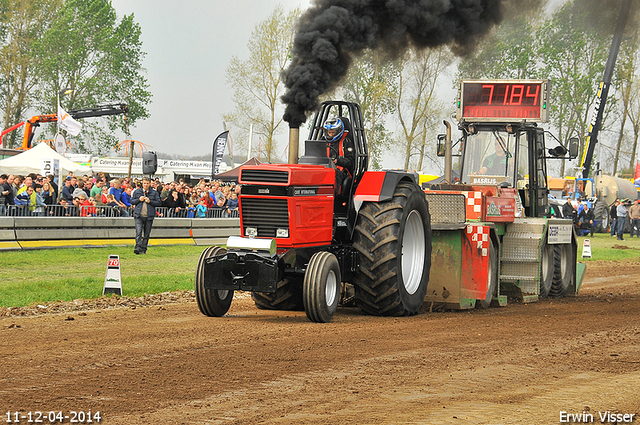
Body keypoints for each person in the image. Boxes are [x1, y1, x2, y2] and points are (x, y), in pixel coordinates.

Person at [323, 117, 355, 195]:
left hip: (341, 171)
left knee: (334, 175)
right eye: (329, 132)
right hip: (323, 169)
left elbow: (350, 161)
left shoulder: (346, 142)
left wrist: (337, 161)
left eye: (333, 132)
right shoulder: (321, 141)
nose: (330, 134)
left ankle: (331, 199)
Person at [131, 178, 162, 255]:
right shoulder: (137, 191)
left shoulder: (154, 193)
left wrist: (150, 201)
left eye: (147, 183)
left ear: (150, 184)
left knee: (146, 234)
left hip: (149, 216)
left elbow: (159, 202)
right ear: (142, 183)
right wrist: (139, 200)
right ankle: (137, 247)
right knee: (138, 232)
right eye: (144, 183)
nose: (146, 185)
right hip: (139, 215)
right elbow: (132, 201)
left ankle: (144, 248)